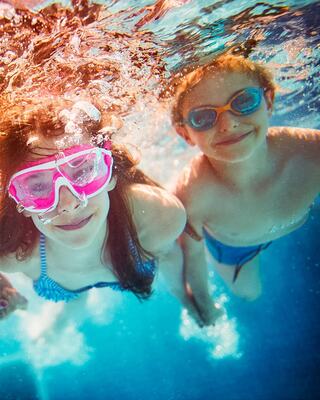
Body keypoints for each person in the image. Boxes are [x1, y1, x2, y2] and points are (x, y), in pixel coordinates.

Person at [0, 96, 202, 323]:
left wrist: (186, 297)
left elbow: (168, 253)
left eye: (83, 171)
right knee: (71, 306)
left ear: (111, 174)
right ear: (19, 201)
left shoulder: (160, 216)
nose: (69, 204)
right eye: (37, 186)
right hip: (65, 285)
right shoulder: (13, 256)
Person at [170, 53, 320, 325]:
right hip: (236, 250)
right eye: (204, 117)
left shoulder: (311, 150)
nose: (228, 124)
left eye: (243, 102)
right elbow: (192, 260)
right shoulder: (191, 194)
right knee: (249, 293)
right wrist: (204, 304)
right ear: (185, 134)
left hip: (295, 223)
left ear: (269, 101)